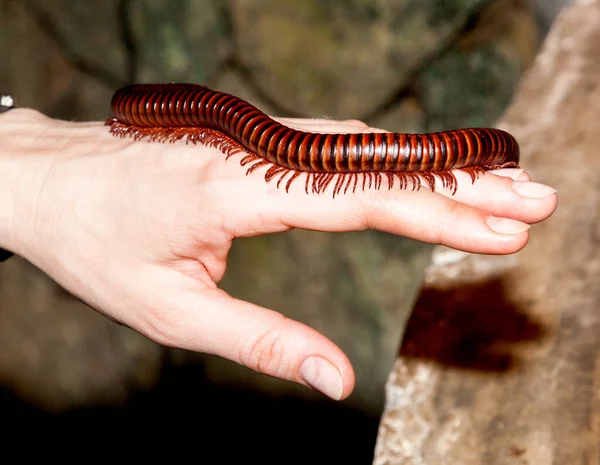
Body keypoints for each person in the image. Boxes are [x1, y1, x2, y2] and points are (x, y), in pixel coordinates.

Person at [0, 107, 558, 401]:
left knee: (301, 155)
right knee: (283, 150)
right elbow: (242, 134)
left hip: (444, 152)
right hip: (261, 135)